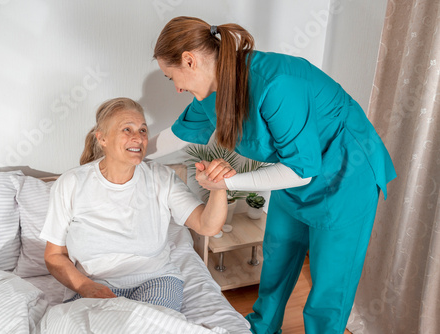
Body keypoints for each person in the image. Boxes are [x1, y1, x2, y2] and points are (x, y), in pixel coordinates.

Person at [148, 16, 397, 333]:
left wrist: (226, 182)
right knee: (277, 258)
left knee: (330, 285)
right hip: (293, 174)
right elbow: (180, 133)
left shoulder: (276, 84)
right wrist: (133, 151)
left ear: (189, 60)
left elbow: (300, 171)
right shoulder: (210, 90)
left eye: (172, 78)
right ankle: (263, 328)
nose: (177, 87)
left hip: (346, 173)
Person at [40, 97, 228, 312]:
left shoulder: (161, 178)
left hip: (156, 280)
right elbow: (54, 256)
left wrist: (219, 187)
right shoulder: (71, 183)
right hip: (94, 284)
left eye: (143, 130)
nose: (138, 138)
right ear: (102, 138)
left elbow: (208, 226)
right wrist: (86, 287)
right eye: (126, 129)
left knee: (148, 326)